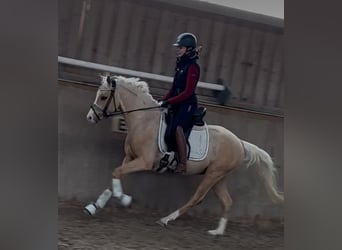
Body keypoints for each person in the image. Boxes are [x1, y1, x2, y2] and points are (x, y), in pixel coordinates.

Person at [159, 32, 201, 173]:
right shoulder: (180, 65)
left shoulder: (193, 67)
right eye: (178, 47)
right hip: (177, 102)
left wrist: (170, 101)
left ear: (188, 49)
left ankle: (182, 163)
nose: (178, 49)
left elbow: (188, 92)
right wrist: (163, 100)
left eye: (181, 47)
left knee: (177, 128)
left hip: (187, 104)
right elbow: (174, 87)